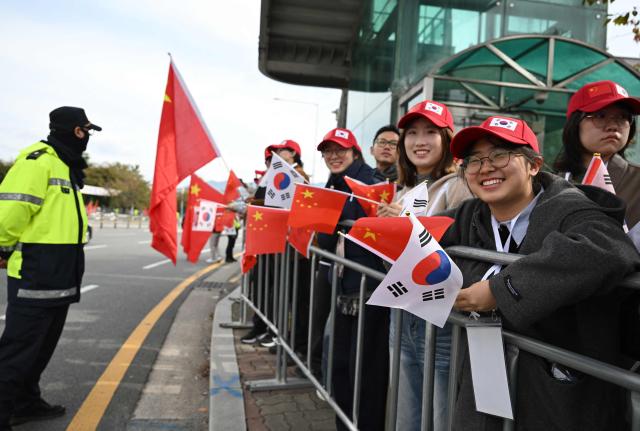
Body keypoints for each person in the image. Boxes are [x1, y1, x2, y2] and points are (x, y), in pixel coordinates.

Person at [439, 115, 640, 431]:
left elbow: (608, 248)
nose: (486, 167)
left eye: (500, 155)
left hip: (560, 389)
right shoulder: (470, 214)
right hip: (487, 371)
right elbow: (421, 248)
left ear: (534, 166)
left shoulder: (571, 207)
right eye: (473, 160)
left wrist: (499, 289)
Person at [0, 106, 101, 430]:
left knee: (40, 348)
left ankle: (25, 402)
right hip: (35, 272)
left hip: (60, 274)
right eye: (86, 131)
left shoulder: (65, 164)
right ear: (75, 130)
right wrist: (2, 246)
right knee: (18, 350)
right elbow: (11, 211)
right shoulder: (38, 161)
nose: (87, 138)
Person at [376, 100, 471, 431]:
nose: (420, 141)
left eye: (431, 132)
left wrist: (404, 224)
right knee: (406, 411)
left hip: (440, 316)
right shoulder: (405, 189)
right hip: (402, 311)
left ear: (447, 139)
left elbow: (463, 244)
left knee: (440, 414)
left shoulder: (460, 184)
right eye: (412, 133)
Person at [554, 79, 640, 367]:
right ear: (574, 123)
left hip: (618, 328)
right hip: (554, 319)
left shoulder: (638, 181)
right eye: (600, 116)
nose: (613, 125)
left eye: (622, 118)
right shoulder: (549, 182)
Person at [316, 127, 388, 431]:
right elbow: (325, 238)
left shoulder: (371, 183)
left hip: (370, 292)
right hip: (347, 288)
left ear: (355, 153)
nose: (333, 156)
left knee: (364, 375)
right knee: (342, 367)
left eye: (340, 150)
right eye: (327, 151)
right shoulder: (334, 185)